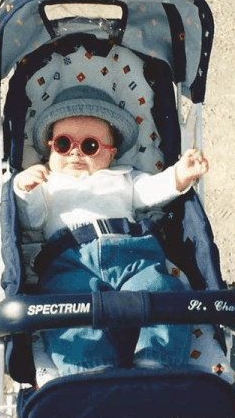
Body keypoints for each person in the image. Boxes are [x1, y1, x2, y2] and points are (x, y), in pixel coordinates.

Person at [14, 86, 209, 380]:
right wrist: (23, 188)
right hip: (70, 260)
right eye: (64, 144)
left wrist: (178, 176)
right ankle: (92, 371)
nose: (76, 152)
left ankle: (156, 361)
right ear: (49, 147)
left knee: (161, 288)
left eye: (90, 146)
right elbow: (31, 219)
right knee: (69, 308)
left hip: (132, 252)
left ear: (111, 153)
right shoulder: (48, 182)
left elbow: (152, 191)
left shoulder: (123, 177)